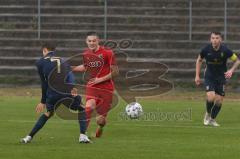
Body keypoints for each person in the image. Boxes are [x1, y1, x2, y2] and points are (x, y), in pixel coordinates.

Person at [20, 42, 91, 143]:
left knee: (48, 113)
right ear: (54, 50)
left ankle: (28, 137)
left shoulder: (40, 62)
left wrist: (42, 101)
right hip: (67, 92)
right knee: (82, 108)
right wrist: (73, 87)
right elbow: (69, 74)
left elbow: (44, 83)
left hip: (53, 93)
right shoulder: (64, 60)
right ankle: (83, 136)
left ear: (44, 50)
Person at [72, 31, 119, 137]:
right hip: (92, 85)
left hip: (106, 88)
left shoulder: (108, 53)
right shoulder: (86, 54)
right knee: (89, 107)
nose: (91, 43)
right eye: (89, 41)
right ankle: (83, 134)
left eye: (94, 41)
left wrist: (100, 79)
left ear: (98, 41)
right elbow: (85, 67)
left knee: (100, 120)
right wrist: (71, 68)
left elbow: (116, 72)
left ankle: (101, 127)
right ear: (86, 41)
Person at [195, 31, 240, 126]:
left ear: (221, 39)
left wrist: (231, 70)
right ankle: (207, 113)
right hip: (209, 76)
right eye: (213, 38)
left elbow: (237, 61)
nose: (214, 40)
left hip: (221, 77)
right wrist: (197, 75)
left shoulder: (225, 50)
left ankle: (212, 119)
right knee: (211, 97)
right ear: (210, 39)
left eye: (217, 38)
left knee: (219, 101)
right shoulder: (206, 50)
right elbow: (199, 60)